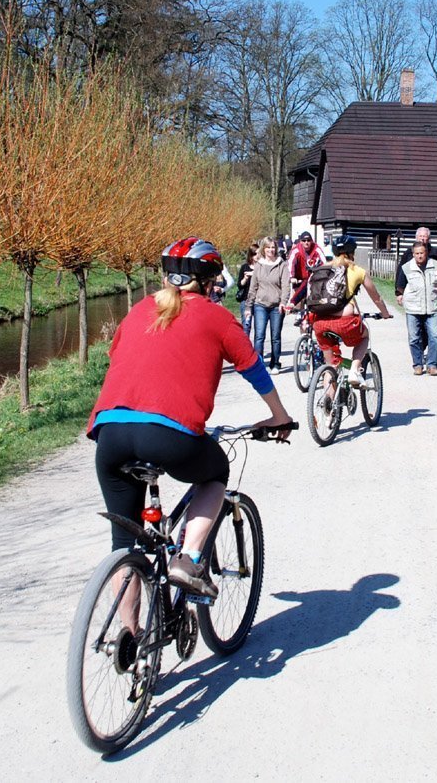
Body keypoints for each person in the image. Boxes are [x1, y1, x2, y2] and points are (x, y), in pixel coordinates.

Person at [87, 238, 293, 600]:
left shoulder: (138, 310)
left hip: (111, 435)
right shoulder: (216, 316)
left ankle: (128, 642)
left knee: (126, 547)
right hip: (169, 437)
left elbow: (119, 355)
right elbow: (252, 367)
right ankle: (188, 558)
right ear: (210, 280)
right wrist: (278, 415)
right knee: (215, 474)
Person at [308, 235, 393, 386]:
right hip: (345, 322)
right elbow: (376, 298)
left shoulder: (321, 268)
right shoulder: (357, 271)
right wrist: (385, 313)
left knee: (331, 365)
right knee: (364, 336)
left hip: (319, 322)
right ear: (352, 252)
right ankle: (354, 370)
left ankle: (327, 404)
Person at [395, 242, 437, 375]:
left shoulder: (435, 265)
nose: (419, 256)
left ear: (426, 253)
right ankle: (417, 364)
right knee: (414, 338)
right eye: (417, 253)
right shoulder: (406, 267)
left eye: (422, 253)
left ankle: (432, 365)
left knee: (434, 337)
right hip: (413, 307)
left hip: (432, 306)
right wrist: (400, 295)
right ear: (413, 254)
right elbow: (400, 285)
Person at [246, 237, 291, 371]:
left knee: (275, 336)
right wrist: (248, 306)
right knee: (259, 335)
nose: (271, 250)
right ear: (263, 249)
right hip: (260, 304)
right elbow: (253, 287)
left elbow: (286, 286)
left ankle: (275, 363)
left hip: (276, 305)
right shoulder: (259, 265)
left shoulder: (281, 264)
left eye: (273, 247)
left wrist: (283, 302)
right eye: (268, 247)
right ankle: (258, 364)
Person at [287, 230, 326, 309]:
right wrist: (292, 277)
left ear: (311, 241)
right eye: (304, 240)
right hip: (299, 278)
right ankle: (294, 304)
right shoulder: (296, 250)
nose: (306, 243)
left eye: (308, 240)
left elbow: (324, 262)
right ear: (300, 241)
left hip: (313, 277)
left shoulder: (316, 249)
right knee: (299, 297)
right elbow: (291, 263)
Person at [236, 243, 258, 331]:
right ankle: (245, 344)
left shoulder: (261, 267)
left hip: (258, 300)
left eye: (258, 254)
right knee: (246, 325)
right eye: (254, 254)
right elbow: (240, 285)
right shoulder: (244, 267)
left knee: (259, 327)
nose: (257, 256)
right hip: (246, 299)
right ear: (251, 255)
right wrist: (245, 278)